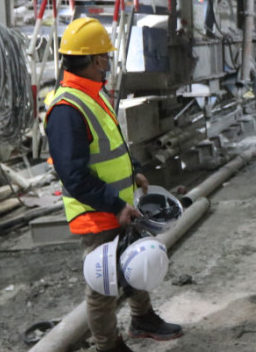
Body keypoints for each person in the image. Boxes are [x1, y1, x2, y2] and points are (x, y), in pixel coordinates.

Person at [44, 17, 182, 352]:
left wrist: (134, 171)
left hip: (117, 204)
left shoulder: (92, 94)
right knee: (102, 286)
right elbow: (73, 176)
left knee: (136, 259)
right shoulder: (67, 108)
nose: (108, 61)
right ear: (94, 60)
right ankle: (108, 345)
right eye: (105, 56)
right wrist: (116, 204)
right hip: (97, 212)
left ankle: (142, 319)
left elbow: (111, 144)